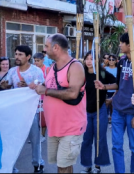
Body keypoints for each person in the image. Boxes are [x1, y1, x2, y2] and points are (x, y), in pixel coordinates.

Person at [94, 33, 134, 173]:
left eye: (121, 43)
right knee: (116, 146)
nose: (119, 45)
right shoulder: (121, 62)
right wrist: (105, 87)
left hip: (133, 112)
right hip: (118, 110)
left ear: (129, 45)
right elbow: (119, 84)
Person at [31, 34, 87, 173]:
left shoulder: (75, 66)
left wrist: (46, 91)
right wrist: (37, 85)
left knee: (63, 166)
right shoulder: (53, 67)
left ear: (56, 47)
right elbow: (47, 85)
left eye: (46, 46)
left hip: (71, 128)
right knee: (62, 165)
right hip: (55, 127)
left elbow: (72, 93)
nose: (44, 50)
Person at [3, 46, 45, 174]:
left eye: (20, 54)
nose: (17, 57)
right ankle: (12, 167)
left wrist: (28, 86)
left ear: (28, 57)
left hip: (32, 112)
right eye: (16, 54)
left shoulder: (36, 71)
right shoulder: (11, 71)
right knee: (13, 140)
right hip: (15, 112)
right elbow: (7, 87)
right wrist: (5, 86)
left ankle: (37, 164)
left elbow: (43, 87)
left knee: (35, 140)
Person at [80, 51, 116, 174]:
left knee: (100, 139)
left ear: (97, 61)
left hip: (100, 110)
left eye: (92, 58)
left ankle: (97, 166)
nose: (89, 61)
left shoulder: (101, 73)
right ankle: (86, 165)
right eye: (87, 58)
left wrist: (109, 95)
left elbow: (117, 84)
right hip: (84, 111)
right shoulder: (81, 74)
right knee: (86, 140)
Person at [33, 52, 51, 143]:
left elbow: (49, 82)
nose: (36, 62)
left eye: (38, 61)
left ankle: (42, 135)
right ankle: (35, 135)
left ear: (43, 60)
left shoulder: (47, 70)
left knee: (43, 117)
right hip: (34, 97)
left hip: (44, 97)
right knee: (34, 117)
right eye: (35, 60)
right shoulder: (32, 70)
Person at [105, 54, 118, 126]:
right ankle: (105, 121)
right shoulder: (105, 68)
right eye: (109, 59)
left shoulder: (118, 69)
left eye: (113, 59)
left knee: (113, 107)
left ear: (116, 61)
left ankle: (113, 122)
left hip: (115, 91)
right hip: (106, 91)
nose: (111, 61)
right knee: (105, 107)